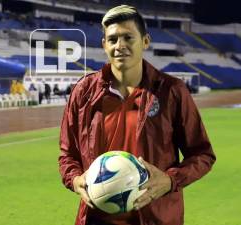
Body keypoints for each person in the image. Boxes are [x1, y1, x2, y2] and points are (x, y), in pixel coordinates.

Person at [58, 5, 216, 225]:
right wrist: (75, 180)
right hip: (96, 219)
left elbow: (202, 154)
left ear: (145, 41)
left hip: (157, 218)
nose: (120, 45)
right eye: (112, 39)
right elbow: (68, 155)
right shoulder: (83, 92)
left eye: (128, 37)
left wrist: (170, 180)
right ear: (104, 45)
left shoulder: (171, 91)